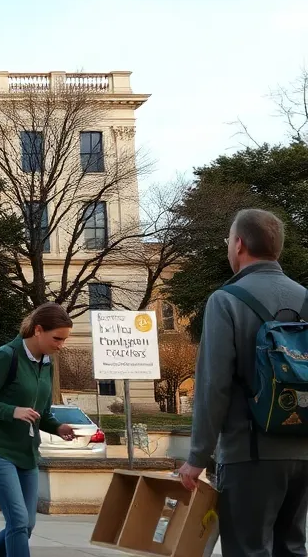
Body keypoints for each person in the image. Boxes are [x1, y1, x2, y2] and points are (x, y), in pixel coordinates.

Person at [177, 209, 308, 556]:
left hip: (249, 453)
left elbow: (212, 387)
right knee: (292, 547)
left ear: (239, 244)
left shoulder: (227, 300)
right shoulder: (305, 298)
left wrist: (196, 456)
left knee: (248, 549)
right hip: (302, 451)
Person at [0, 302, 77, 557]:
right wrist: (12, 410)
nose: (60, 345)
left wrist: (58, 426)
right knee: (18, 521)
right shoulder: (6, 355)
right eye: (57, 338)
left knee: (27, 524)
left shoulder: (47, 363)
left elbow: (43, 411)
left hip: (27, 453)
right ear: (38, 330)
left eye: (63, 340)